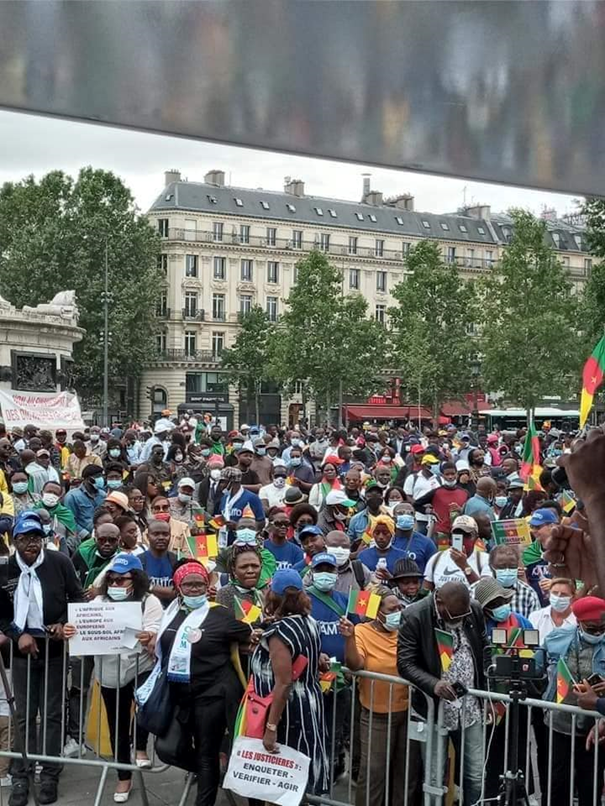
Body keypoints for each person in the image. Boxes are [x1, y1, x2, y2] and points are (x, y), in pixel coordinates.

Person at [141, 561, 252, 806]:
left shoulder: (220, 614)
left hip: (213, 693)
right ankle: (214, 774)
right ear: (178, 587)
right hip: (180, 695)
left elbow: (249, 631)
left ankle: (206, 792)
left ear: (206, 585)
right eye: (188, 584)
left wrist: (255, 636)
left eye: (199, 584)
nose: (194, 589)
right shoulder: (172, 613)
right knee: (168, 749)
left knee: (206, 753)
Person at [0, 511, 83, 806]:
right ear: (14, 540)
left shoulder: (59, 562)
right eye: (24, 538)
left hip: (54, 649)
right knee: (24, 715)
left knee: (51, 714)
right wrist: (16, 633)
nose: (31, 544)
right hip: (21, 651)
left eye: (36, 538)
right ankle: (21, 776)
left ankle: (49, 774)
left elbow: (77, 597)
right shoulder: (5, 568)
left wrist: (63, 623)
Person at [65, 553, 161, 801]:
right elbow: (82, 628)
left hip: (141, 666)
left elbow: (155, 627)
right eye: (112, 580)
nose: (116, 584)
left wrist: (150, 635)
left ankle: (140, 746)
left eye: (122, 580)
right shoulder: (99, 603)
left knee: (146, 708)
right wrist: (71, 630)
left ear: (136, 579)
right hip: (110, 672)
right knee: (116, 725)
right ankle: (123, 777)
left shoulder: (149, 601)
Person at [397, 581, 487, 806]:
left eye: (464, 615)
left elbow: (484, 649)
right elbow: (405, 663)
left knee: (476, 774)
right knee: (434, 779)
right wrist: (434, 684)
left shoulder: (473, 609)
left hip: (470, 709)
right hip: (433, 711)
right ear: (439, 602)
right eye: (455, 616)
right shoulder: (415, 615)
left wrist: (489, 691)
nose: (460, 620)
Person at [250, 569, 328, 794]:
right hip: (309, 703)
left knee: (287, 779)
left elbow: (283, 683)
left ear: (273, 596)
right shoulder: (310, 622)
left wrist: (271, 728)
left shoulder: (280, 633)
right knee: (304, 767)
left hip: (288, 713)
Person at [340, 586, 419, 806]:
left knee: (405, 774)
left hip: (408, 713)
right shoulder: (362, 632)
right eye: (392, 609)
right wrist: (349, 638)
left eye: (400, 607)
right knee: (373, 773)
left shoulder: (405, 630)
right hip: (377, 715)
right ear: (377, 612)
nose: (398, 612)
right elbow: (355, 665)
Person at [543, 596, 605, 806]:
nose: (598, 633)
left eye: (602, 628)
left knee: (590, 785)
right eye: (592, 628)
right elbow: (537, 667)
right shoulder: (557, 638)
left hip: (596, 727)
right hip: (560, 723)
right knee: (557, 783)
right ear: (579, 623)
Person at [423, 514, 491, 590]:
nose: (462, 538)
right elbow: (426, 590)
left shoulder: (485, 560)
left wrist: (464, 566)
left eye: (467, 535)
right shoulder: (437, 559)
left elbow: (485, 592)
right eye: (457, 534)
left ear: (476, 537)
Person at [488, 544, 540, 618]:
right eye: (501, 567)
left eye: (512, 567)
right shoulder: (477, 591)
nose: (507, 570)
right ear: (491, 566)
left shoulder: (528, 593)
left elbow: (535, 622)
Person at [523, 507, 558, 606]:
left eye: (538, 527)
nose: (533, 531)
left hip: (561, 602)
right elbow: (525, 581)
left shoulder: (565, 549)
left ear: (551, 526)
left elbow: (576, 581)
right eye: (532, 527)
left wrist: (556, 583)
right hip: (536, 605)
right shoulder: (528, 552)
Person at [139, 519, 178, 607]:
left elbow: (178, 592)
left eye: (165, 534)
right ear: (147, 536)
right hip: (146, 610)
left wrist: (149, 587)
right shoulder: (139, 561)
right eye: (156, 534)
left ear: (170, 536)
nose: (161, 537)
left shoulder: (176, 560)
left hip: (171, 610)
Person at [72, 521, 120, 590]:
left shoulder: (123, 558)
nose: (107, 544)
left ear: (119, 540)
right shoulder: (83, 553)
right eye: (102, 540)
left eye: (112, 540)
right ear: (95, 539)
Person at [391, 502, 436, 574]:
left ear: (414, 519)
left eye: (410, 513)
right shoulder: (387, 540)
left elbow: (433, 569)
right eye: (400, 513)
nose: (406, 516)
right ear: (393, 519)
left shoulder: (426, 543)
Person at [64, 464, 107, 539]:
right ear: (88, 479)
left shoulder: (102, 495)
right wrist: (85, 534)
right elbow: (70, 520)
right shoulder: (72, 496)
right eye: (97, 476)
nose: (101, 479)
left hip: (102, 536)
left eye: (101, 476)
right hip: (81, 538)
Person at [529, 577, 577, 643]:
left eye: (563, 594)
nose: (558, 597)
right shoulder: (535, 617)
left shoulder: (577, 621)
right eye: (555, 593)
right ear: (549, 593)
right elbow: (530, 644)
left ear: (573, 597)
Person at [428, 461, 469, 537]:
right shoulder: (436, 492)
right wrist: (430, 511)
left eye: (452, 474)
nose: (450, 477)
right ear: (442, 475)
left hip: (460, 531)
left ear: (457, 474)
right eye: (447, 474)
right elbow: (417, 504)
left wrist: (461, 509)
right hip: (441, 532)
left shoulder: (465, 492)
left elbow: (469, 510)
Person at [404, 455, 441, 535]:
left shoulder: (439, 479)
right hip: (419, 517)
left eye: (436, 464)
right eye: (432, 464)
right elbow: (407, 496)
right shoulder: (413, 478)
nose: (435, 466)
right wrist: (421, 505)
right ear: (424, 465)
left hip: (435, 518)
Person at [218, 468, 264, 532]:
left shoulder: (252, 498)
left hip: (244, 537)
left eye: (223, 482)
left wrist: (239, 526)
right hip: (224, 536)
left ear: (232, 482)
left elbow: (261, 523)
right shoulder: (224, 498)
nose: (220, 485)